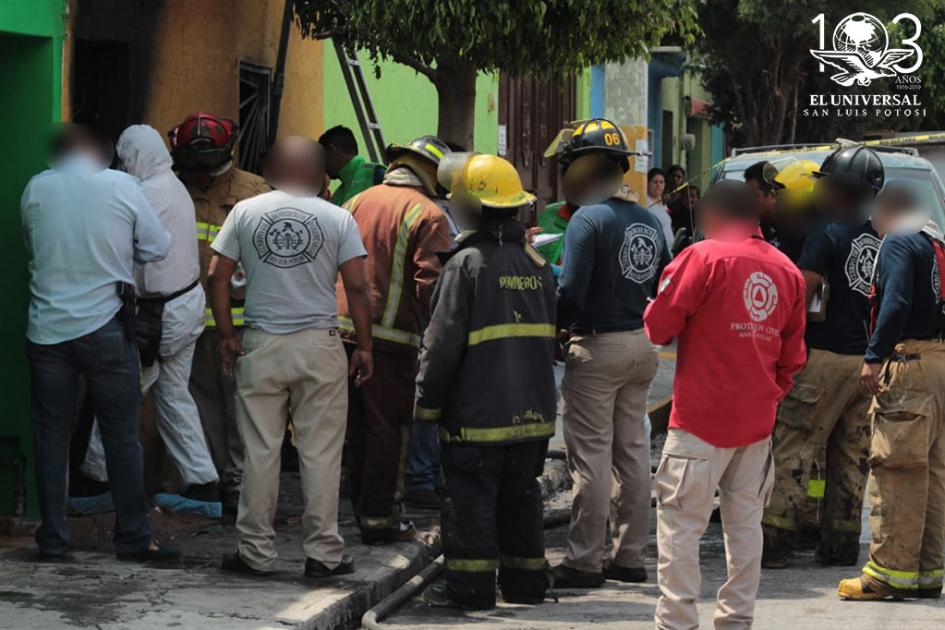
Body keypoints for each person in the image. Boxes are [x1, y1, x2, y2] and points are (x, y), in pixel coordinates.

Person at [644, 180, 807, 629]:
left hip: (699, 420)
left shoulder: (701, 258)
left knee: (680, 528)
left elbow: (659, 327)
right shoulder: (787, 271)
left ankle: (677, 623)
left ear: (714, 214)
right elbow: (793, 358)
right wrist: (766, 397)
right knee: (744, 529)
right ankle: (736, 621)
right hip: (755, 425)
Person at [209, 137, 373, 578]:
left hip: (261, 343)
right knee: (321, 453)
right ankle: (324, 554)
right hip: (319, 345)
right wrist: (365, 345)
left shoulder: (245, 212)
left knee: (261, 451)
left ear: (273, 171)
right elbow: (357, 287)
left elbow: (216, 276)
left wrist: (226, 334)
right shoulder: (338, 217)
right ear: (321, 176)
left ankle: (255, 554)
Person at [22, 124, 177, 562]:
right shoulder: (122, 186)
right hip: (104, 327)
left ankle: (52, 539)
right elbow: (157, 246)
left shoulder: (36, 188)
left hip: (46, 331)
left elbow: (33, 245)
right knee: (121, 435)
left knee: (50, 436)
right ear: (102, 152)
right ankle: (132, 538)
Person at [415, 153, 556, 609]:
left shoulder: (466, 264)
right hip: (532, 414)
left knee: (470, 502)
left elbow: (441, 345)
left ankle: (471, 591)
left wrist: (427, 402)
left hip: (477, 416)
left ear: (471, 208)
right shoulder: (537, 265)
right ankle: (527, 585)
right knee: (521, 499)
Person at [550, 118, 671, 588]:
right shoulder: (647, 219)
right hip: (643, 345)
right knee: (633, 453)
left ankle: (583, 561)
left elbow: (572, 291)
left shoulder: (588, 218)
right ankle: (629, 557)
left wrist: (555, 325)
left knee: (591, 457)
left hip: (598, 347)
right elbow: (662, 285)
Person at [80, 125, 221, 516]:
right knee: (174, 396)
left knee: (119, 394)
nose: (123, 166)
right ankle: (203, 486)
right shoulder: (174, 187)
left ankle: (97, 480)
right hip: (186, 305)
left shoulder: (146, 193)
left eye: (125, 159)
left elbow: (126, 251)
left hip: (158, 316)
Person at [762, 147, 884, 569]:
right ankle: (841, 544)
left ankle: (775, 541)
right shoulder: (880, 238)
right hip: (866, 364)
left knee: (795, 446)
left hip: (823, 359)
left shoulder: (825, 234)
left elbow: (800, 294)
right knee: (852, 456)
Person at [338, 135, 453, 544]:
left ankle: (362, 512)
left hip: (340, 335)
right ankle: (383, 517)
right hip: (391, 342)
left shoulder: (355, 201)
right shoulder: (429, 213)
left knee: (355, 430)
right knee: (389, 430)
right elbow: (431, 286)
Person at [838, 188, 945, 601]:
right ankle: (926, 573)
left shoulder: (900, 241)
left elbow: (895, 301)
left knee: (897, 469)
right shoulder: (936, 244)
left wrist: (874, 356)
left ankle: (886, 573)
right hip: (938, 364)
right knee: (933, 475)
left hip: (910, 365)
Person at [169, 112, 270, 512]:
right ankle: (210, 479)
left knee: (241, 405)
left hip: (242, 324)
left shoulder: (253, 191)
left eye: (206, 165)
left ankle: (242, 485)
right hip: (188, 323)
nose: (201, 176)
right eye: (192, 166)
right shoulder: (173, 189)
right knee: (199, 402)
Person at [319, 125, 386, 207]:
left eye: (322, 156)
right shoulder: (338, 194)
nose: (321, 164)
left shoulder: (376, 174)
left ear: (332, 150)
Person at [744, 161, 780, 246]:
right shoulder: (751, 229)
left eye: (754, 196)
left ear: (773, 195)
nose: (748, 202)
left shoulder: (794, 230)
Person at [646, 167, 674, 247]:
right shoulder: (645, 202)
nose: (658, 185)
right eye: (654, 182)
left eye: (661, 182)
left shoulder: (662, 202)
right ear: (647, 183)